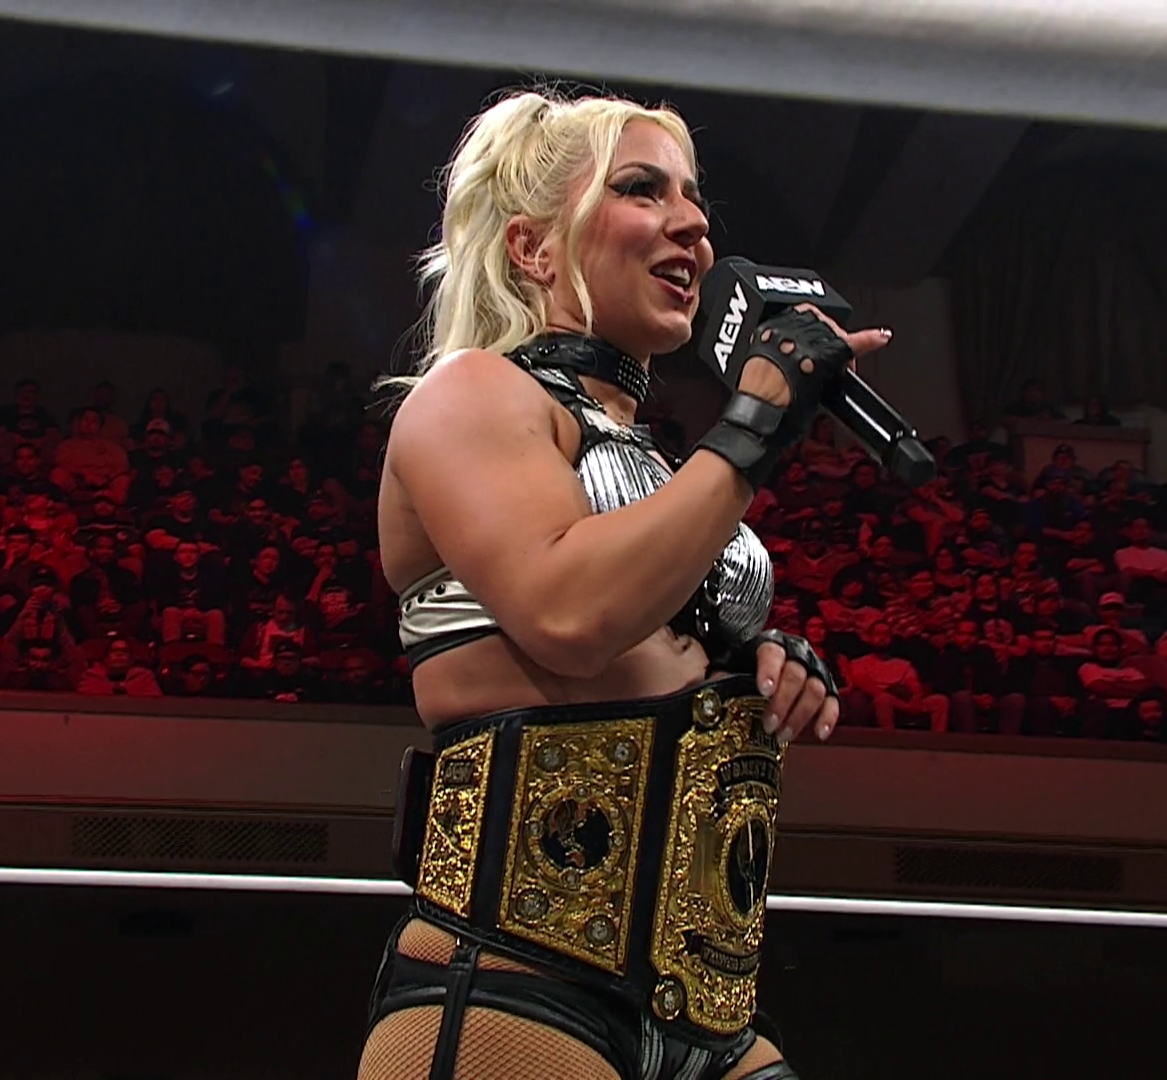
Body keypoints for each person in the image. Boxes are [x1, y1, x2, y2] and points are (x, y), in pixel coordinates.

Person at [360, 90, 877, 1080]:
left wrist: (758, 664)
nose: (693, 224)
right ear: (533, 248)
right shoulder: (471, 393)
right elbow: (569, 614)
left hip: (708, 1008)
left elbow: (648, 644)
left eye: (694, 197)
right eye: (643, 189)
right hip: (517, 981)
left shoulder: (650, 460)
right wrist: (757, 424)